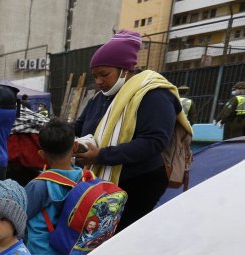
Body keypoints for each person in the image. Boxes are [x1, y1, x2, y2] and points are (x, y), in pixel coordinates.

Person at [74, 30, 186, 232]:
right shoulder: (100, 98)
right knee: (98, 234)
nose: (99, 81)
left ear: (125, 70)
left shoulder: (154, 95)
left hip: (140, 181)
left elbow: (154, 141)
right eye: (95, 76)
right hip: (103, 180)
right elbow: (79, 125)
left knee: (121, 234)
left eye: (104, 74)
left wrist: (101, 155)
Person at [24, 119, 84, 255]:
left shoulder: (39, 185)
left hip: (43, 254)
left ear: (41, 154)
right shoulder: (85, 177)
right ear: (75, 147)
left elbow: (21, 216)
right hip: (74, 249)